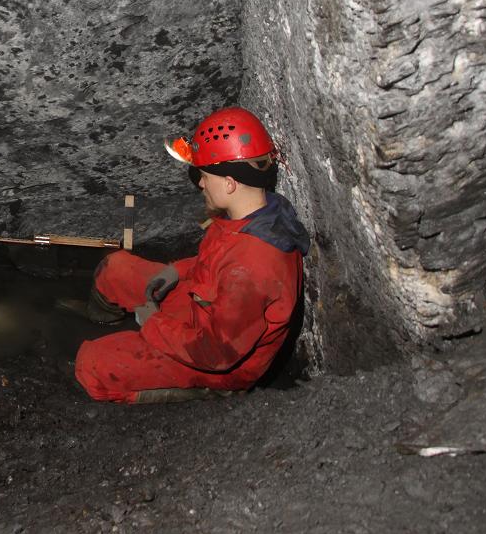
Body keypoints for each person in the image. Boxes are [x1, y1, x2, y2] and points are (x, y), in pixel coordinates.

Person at [72, 107, 310, 404]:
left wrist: (154, 324)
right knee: (115, 268)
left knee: (91, 366)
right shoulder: (256, 212)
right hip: (203, 304)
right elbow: (217, 262)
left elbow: (218, 352)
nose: (200, 183)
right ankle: (105, 321)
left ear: (230, 184)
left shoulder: (253, 268)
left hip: (215, 358)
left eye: (205, 176)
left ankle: (206, 392)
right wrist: (177, 271)